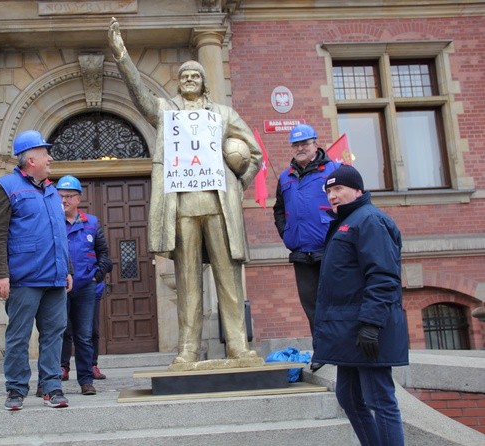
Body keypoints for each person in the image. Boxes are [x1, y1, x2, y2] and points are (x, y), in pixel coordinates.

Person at [108, 18, 262, 366]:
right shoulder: (167, 113)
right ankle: (188, 348)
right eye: (184, 77)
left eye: (195, 76)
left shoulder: (223, 114)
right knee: (188, 281)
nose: (190, 80)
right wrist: (122, 57)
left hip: (218, 205)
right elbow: (142, 98)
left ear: (204, 82)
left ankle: (238, 345)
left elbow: (254, 152)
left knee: (228, 278)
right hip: (182, 207)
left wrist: (239, 182)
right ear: (178, 84)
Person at [313, 165, 408, 445]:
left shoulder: (369, 221)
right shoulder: (347, 222)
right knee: (349, 397)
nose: (333, 195)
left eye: (339, 188)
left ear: (357, 190)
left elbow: (382, 276)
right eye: (329, 190)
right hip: (349, 331)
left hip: (368, 329)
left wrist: (370, 324)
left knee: (380, 399)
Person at [0, 129, 71, 411]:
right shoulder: (5, 186)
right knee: (19, 336)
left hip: (55, 278)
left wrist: (67, 269)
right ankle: (16, 389)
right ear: (31, 159)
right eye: (46, 153)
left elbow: (60, 233)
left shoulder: (52, 190)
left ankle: (51, 387)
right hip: (23, 279)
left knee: (54, 334)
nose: (51, 158)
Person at [272, 123, 339, 371]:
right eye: (296, 144)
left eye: (305, 143)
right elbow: (278, 209)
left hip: (330, 250)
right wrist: (286, 233)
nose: (300, 148)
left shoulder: (334, 170)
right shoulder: (284, 177)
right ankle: (322, 351)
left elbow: (345, 204)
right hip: (301, 252)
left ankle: (339, 349)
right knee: (311, 305)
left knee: (332, 302)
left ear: (315, 144)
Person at [56, 175, 113, 395]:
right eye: (60, 196)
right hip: (58, 287)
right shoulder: (53, 222)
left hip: (85, 287)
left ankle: (86, 380)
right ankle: (55, 375)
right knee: (58, 332)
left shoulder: (92, 223)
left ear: (79, 198)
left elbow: (105, 256)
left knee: (84, 334)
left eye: (69, 196)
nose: (64, 200)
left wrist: (95, 277)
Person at [91, 280, 107, 379]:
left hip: (92, 291)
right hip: (68, 291)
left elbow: (106, 264)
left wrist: (97, 276)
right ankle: (63, 367)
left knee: (93, 331)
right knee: (65, 331)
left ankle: (92, 365)